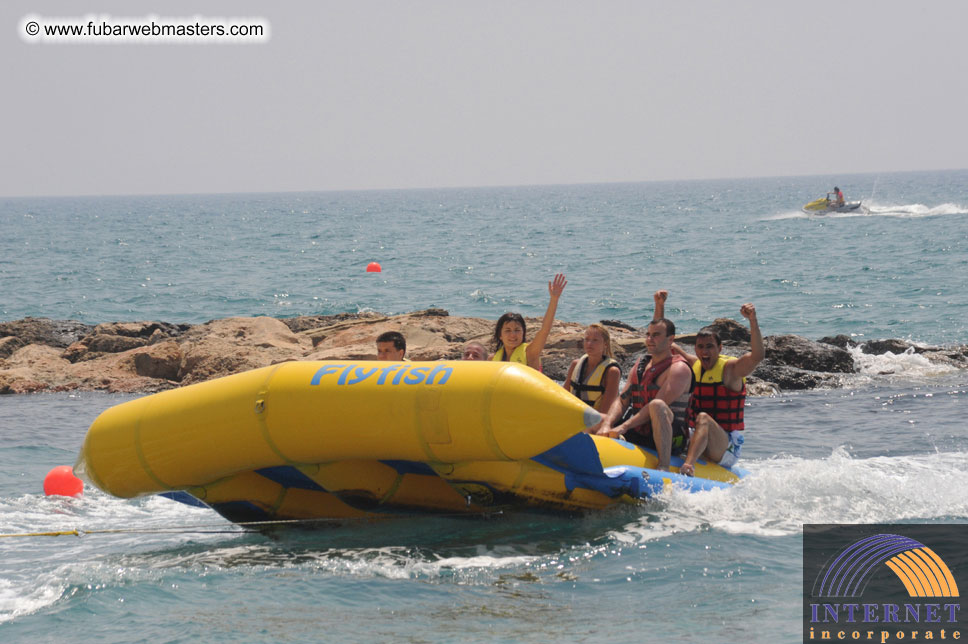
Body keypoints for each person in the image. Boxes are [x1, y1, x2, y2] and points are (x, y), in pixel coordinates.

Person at [678, 303, 764, 477]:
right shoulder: (694, 365)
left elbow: (757, 356)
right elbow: (664, 341)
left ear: (720, 348)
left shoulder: (731, 370)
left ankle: (688, 466)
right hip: (699, 437)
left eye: (709, 346)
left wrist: (753, 320)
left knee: (703, 418)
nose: (704, 351)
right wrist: (659, 305)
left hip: (726, 448)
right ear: (695, 349)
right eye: (700, 347)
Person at [597, 315, 692, 471]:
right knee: (594, 419)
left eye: (656, 335)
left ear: (670, 340)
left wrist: (623, 427)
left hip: (671, 437)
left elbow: (653, 408)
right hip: (639, 431)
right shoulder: (641, 365)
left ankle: (663, 467)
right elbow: (622, 400)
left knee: (657, 405)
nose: (650, 339)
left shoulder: (679, 369)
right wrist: (607, 424)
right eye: (648, 335)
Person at [491, 273, 567, 370]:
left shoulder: (530, 352)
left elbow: (544, 330)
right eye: (508, 330)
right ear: (500, 335)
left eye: (517, 330)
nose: (513, 335)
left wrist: (554, 299)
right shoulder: (493, 358)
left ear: (523, 333)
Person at [563, 323, 622, 420]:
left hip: (597, 422)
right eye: (587, 339)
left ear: (605, 344)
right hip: (572, 418)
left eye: (595, 340)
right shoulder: (575, 365)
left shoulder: (612, 372)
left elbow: (605, 411)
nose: (589, 344)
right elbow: (563, 397)